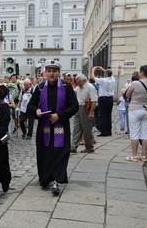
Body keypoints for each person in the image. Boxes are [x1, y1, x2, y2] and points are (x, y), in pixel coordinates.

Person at [27, 60, 78, 196]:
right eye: (49, 71)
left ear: (58, 73)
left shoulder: (66, 87)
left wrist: (59, 116)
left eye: (54, 71)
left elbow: (74, 106)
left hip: (60, 126)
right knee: (44, 153)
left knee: (59, 153)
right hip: (44, 127)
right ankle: (45, 178)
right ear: (45, 73)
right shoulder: (40, 87)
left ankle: (56, 180)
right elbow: (30, 106)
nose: (51, 74)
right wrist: (36, 111)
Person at [124, 65, 147, 162]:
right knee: (145, 134)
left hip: (135, 109)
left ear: (142, 73)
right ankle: (143, 156)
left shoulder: (135, 83)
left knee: (134, 133)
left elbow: (127, 95)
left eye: (140, 72)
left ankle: (134, 156)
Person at [70, 74, 98, 153]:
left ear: (84, 80)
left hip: (86, 108)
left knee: (87, 129)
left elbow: (94, 101)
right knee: (76, 127)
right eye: (77, 82)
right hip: (78, 108)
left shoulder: (90, 87)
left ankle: (89, 146)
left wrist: (91, 112)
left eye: (78, 82)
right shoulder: (78, 88)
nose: (77, 83)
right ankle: (73, 146)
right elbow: (72, 92)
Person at [90, 66, 115, 136]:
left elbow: (93, 78)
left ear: (105, 75)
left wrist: (93, 70)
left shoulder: (103, 80)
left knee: (102, 115)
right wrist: (102, 69)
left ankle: (104, 131)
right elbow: (110, 74)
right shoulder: (113, 79)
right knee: (108, 115)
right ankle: (109, 131)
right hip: (110, 99)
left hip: (103, 99)